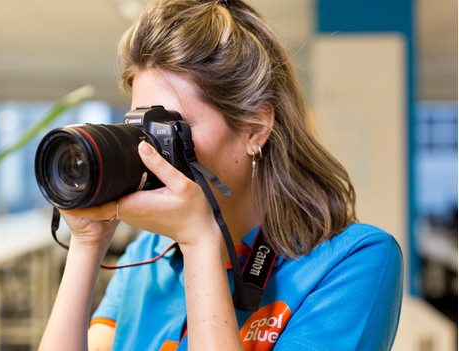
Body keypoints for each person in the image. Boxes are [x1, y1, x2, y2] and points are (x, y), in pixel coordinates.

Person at [38, 0, 403, 350]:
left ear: (254, 128)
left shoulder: (353, 262)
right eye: (140, 125)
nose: (149, 149)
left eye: (170, 125)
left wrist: (200, 242)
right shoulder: (150, 254)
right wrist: (87, 244)